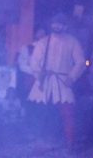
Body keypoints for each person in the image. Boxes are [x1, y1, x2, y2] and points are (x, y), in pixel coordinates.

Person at [28, 12, 86, 151]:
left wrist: (71, 77)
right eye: (55, 23)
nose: (57, 26)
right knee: (42, 113)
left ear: (65, 26)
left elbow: (80, 62)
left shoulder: (72, 41)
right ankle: (41, 142)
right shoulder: (43, 42)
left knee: (67, 113)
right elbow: (34, 63)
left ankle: (69, 143)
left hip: (63, 82)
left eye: (60, 23)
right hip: (46, 81)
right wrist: (39, 75)